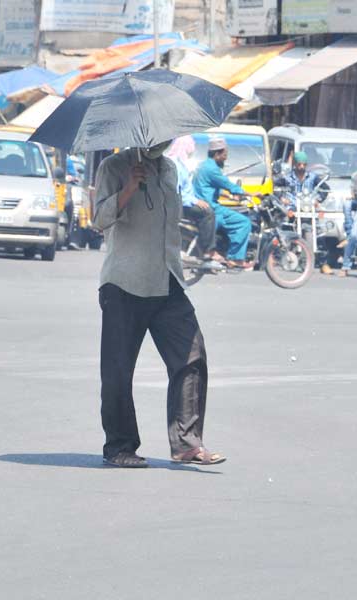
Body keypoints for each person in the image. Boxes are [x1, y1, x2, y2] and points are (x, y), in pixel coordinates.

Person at [92, 141, 225, 468]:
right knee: (118, 372)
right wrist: (128, 188)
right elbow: (98, 220)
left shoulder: (168, 168)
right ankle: (120, 446)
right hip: (125, 283)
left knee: (191, 356)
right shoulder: (112, 167)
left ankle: (187, 443)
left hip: (167, 280)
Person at [193, 137, 253, 270]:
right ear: (217, 154)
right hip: (211, 208)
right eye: (224, 155)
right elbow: (227, 184)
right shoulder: (212, 169)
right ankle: (235, 258)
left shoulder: (203, 166)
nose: (226, 158)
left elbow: (208, 187)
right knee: (243, 222)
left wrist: (228, 196)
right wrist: (251, 194)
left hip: (205, 204)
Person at [165, 136, 222, 270]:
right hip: (179, 204)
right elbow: (176, 190)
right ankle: (208, 252)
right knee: (208, 213)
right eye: (191, 145)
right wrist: (194, 201)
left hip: (184, 201)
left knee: (208, 206)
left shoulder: (182, 163)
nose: (193, 148)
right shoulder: (175, 165)